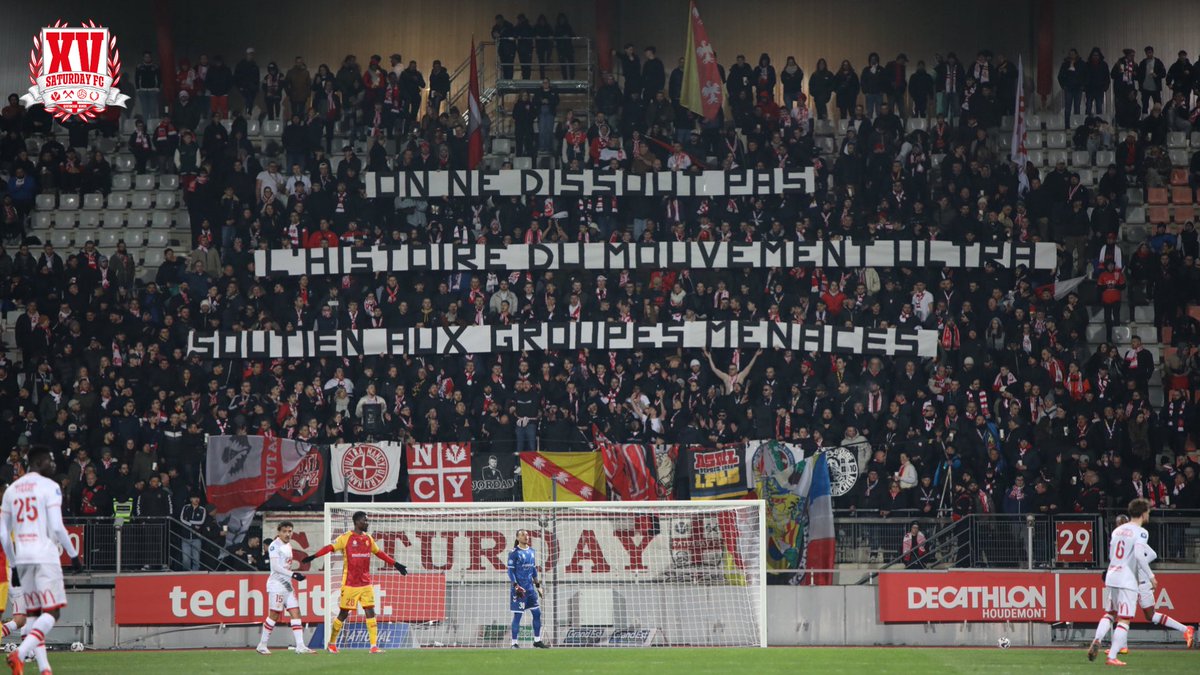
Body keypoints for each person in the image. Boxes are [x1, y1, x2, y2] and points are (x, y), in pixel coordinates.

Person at [0, 445, 82, 675]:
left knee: (34, 615)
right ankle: (20, 653)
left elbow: (4, 535)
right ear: (37, 462)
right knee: (52, 613)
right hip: (45, 555)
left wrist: (14, 564)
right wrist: (73, 556)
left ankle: (45, 668)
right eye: (49, 460)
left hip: (23, 558)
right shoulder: (50, 486)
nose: (53, 464)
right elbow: (57, 527)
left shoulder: (12, 490)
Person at [301, 511, 407, 653]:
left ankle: (373, 646)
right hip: (350, 584)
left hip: (366, 583)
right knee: (343, 614)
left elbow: (379, 553)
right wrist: (314, 556)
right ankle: (332, 643)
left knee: (370, 612)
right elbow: (330, 547)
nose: (367, 523)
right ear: (357, 522)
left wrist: (396, 564)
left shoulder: (368, 538)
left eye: (367, 520)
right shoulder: (346, 538)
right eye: (365, 520)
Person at [1089, 498, 1154, 665]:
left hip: (1112, 574)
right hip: (1127, 578)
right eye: (1148, 512)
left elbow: (1112, 555)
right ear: (1143, 513)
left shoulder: (1117, 530)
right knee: (1124, 619)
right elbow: (1139, 555)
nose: (1148, 515)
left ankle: (1097, 639)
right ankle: (1112, 657)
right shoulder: (1141, 532)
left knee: (1110, 613)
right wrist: (1151, 576)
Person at [256, 521, 314, 655]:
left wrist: (291, 576)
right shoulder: (274, 546)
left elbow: (285, 565)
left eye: (290, 531)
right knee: (274, 615)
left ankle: (300, 646)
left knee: (296, 612)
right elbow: (275, 567)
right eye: (284, 531)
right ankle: (262, 645)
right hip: (276, 585)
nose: (287, 534)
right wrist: (293, 574)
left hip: (287, 585)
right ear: (279, 532)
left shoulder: (288, 545)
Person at [508, 528, 549, 648]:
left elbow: (533, 570)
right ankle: (514, 643)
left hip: (530, 590)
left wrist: (538, 586)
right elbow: (510, 571)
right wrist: (516, 586)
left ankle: (537, 640)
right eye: (522, 535)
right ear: (517, 537)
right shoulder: (514, 553)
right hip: (519, 590)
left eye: (527, 534)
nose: (526, 536)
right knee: (518, 616)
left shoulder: (531, 551)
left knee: (537, 613)